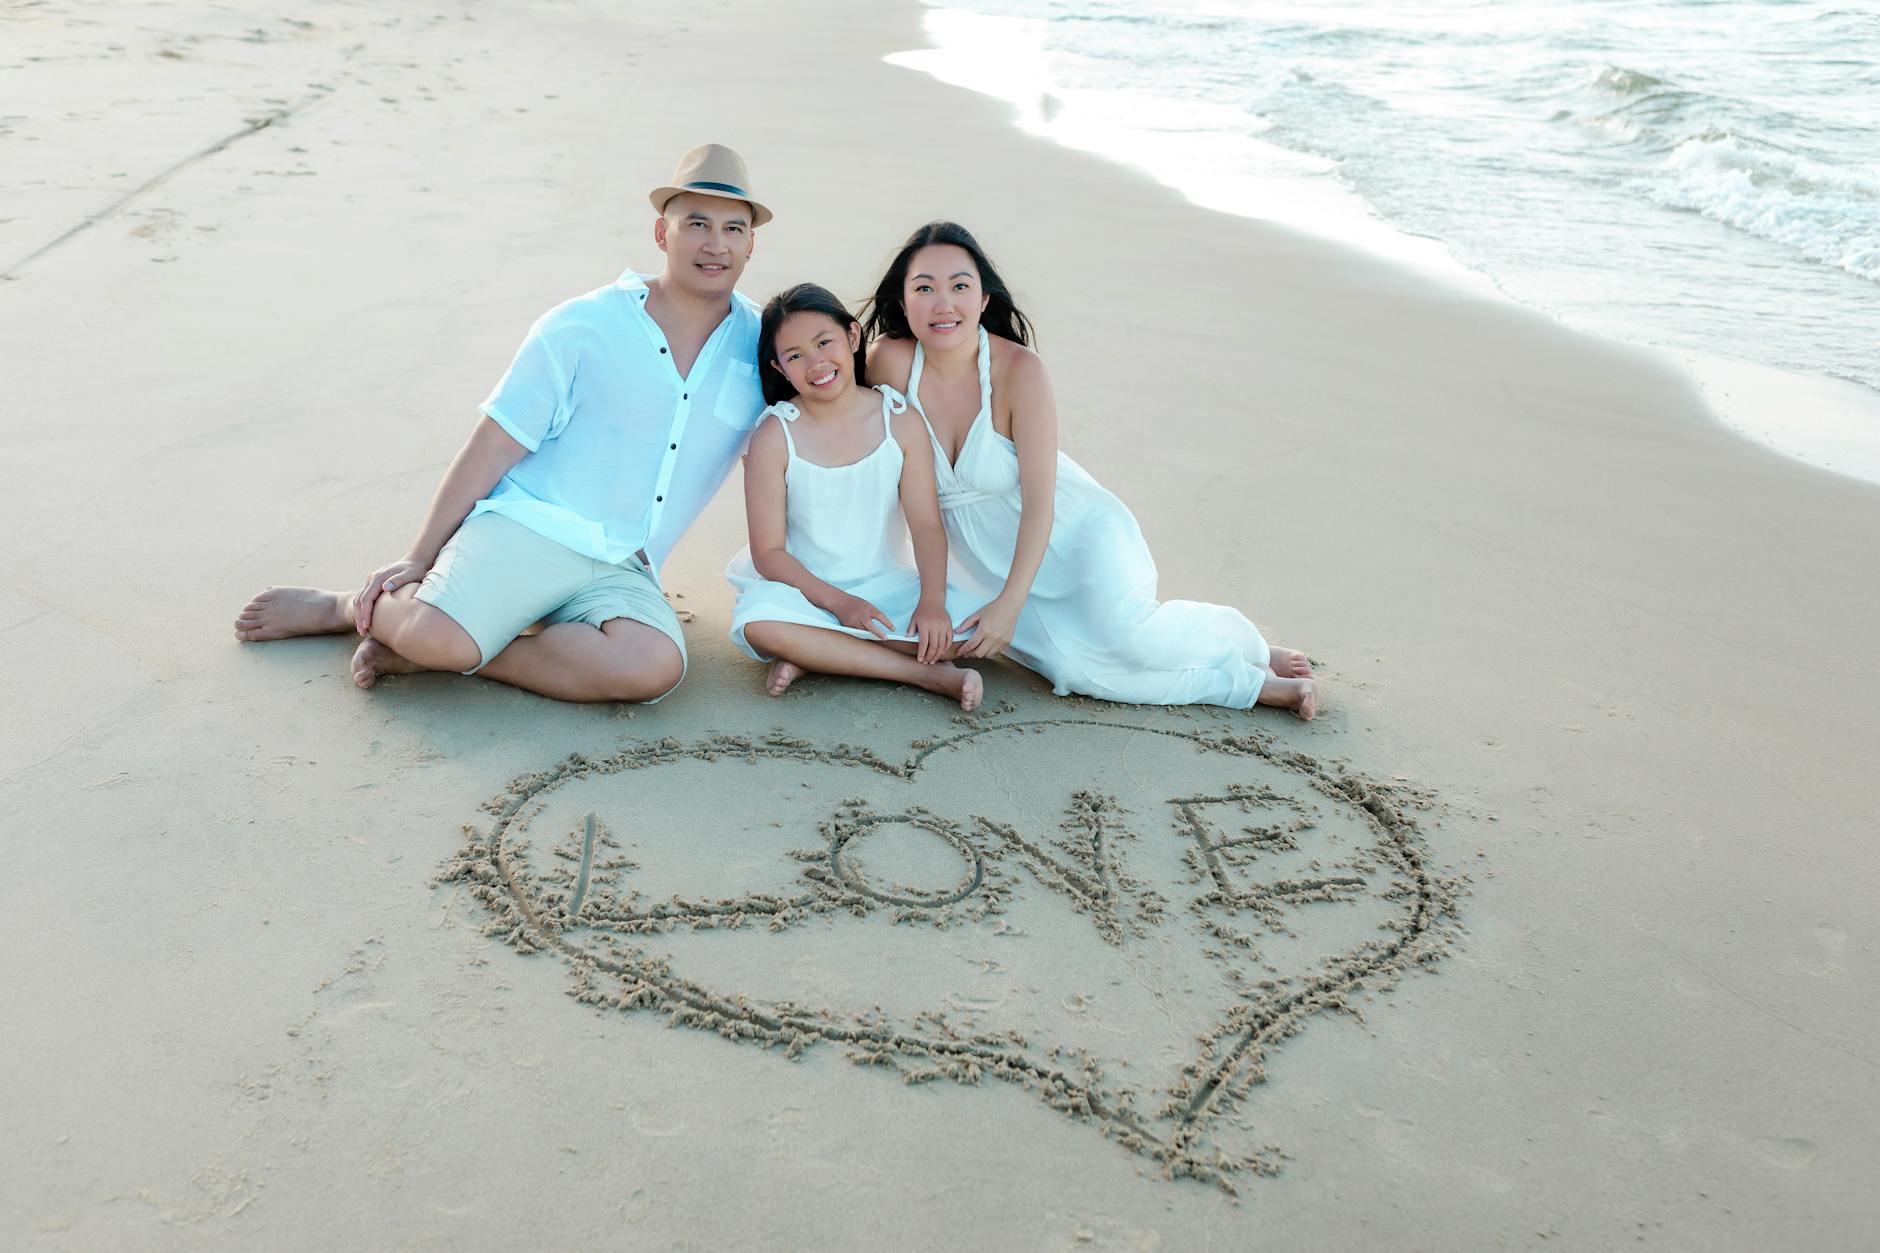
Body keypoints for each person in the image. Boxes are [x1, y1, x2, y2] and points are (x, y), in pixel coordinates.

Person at [231, 144, 771, 702]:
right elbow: (492, 446)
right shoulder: (583, 325)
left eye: (734, 229)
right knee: (441, 636)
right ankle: (349, 607)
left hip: (624, 565)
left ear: (750, 243)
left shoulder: (763, 345)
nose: (715, 244)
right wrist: (418, 557)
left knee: (652, 668)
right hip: (528, 530)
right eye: (697, 224)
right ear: (663, 234)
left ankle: (447, 655)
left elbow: (841, 404)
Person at [862, 222, 1318, 718]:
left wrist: (1011, 605)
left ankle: (1247, 654)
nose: (943, 303)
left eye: (959, 286)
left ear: (984, 299)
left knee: (1132, 640)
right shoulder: (888, 363)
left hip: (1070, 536)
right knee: (1075, 672)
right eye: (924, 288)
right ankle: (1249, 678)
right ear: (903, 302)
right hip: (981, 565)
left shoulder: (1019, 370)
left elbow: (1041, 501)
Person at [725, 284, 980, 709]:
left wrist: (931, 602)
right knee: (760, 626)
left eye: (824, 342)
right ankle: (922, 675)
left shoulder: (898, 420)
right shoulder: (775, 435)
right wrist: (840, 605)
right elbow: (768, 554)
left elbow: (925, 524)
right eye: (795, 355)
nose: (816, 362)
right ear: (779, 367)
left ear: (853, 336)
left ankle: (820, 655)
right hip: (802, 591)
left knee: (965, 636)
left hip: (885, 585)